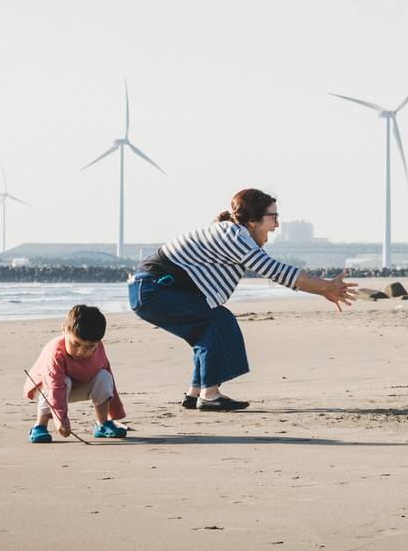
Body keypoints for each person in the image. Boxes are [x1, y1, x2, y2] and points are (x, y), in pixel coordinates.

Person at [130, 187, 357, 411]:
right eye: (273, 217)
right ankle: (209, 395)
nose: (277, 224)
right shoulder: (235, 237)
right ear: (252, 220)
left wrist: (323, 290)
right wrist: (326, 286)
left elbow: (280, 274)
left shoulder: (234, 234)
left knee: (208, 327)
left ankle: (196, 392)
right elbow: (277, 271)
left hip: (150, 289)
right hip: (153, 290)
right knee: (217, 322)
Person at [23, 303, 128, 442]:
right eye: (76, 344)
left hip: (77, 385)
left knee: (104, 376)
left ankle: (102, 425)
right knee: (63, 382)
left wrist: (115, 412)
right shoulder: (55, 351)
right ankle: (40, 426)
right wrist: (61, 421)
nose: (81, 351)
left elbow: (108, 375)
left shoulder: (99, 349)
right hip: (46, 386)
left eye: (89, 347)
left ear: (98, 342)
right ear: (64, 330)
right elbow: (55, 386)